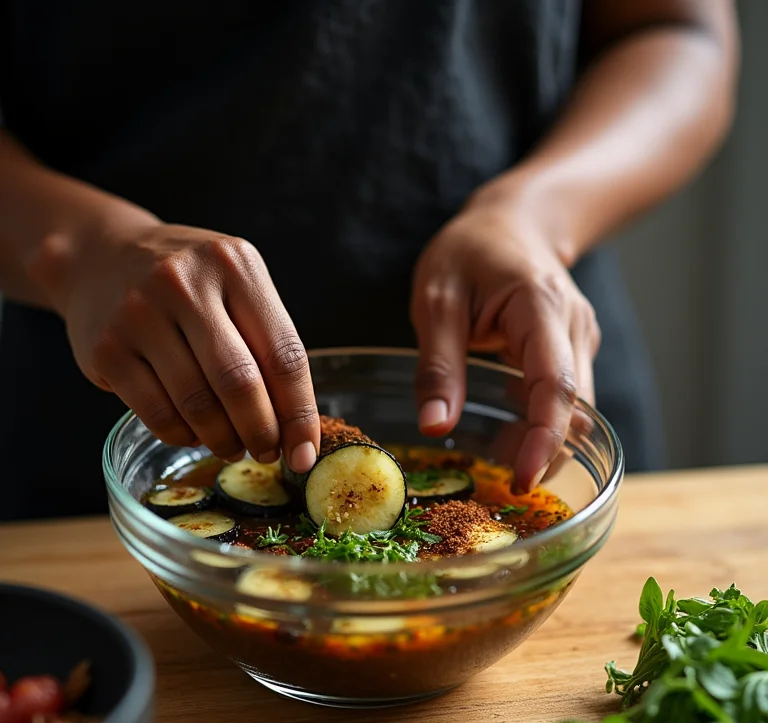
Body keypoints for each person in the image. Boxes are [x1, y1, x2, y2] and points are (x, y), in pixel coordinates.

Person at [0, 2, 738, 521]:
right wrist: (72, 244)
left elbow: (676, 28)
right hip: (124, 426)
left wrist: (536, 216)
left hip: (523, 380)